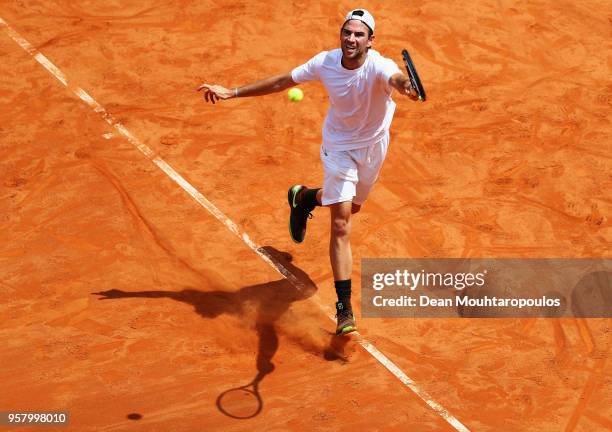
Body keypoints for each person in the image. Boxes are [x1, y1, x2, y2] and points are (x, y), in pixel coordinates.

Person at [198, 9, 419, 336]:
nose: (351, 39)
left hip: (373, 149)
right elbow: (283, 81)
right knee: (342, 222)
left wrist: (406, 87)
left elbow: (397, 79)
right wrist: (234, 91)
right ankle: (344, 308)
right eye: (347, 32)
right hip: (339, 148)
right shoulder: (325, 63)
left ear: (371, 41)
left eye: (359, 34)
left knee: (351, 207)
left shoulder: (380, 67)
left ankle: (304, 198)